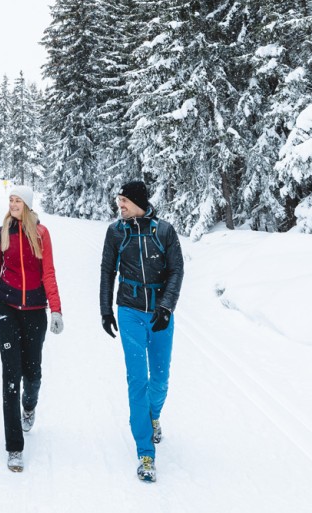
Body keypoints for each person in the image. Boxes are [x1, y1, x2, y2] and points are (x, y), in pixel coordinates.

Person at [99, 180, 184, 484]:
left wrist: (166, 307)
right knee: (138, 379)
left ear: (137, 201)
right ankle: (145, 452)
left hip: (160, 311)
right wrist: (106, 310)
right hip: (130, 310)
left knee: (160, 378)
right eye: (118, 200)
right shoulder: (116, 232)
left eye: (123, 200)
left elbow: (176, 270)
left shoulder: (163, 231)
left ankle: (153, 415)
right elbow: (107, 270)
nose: (119, 205)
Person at [0, 185, 63, 473]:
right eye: (10, 200)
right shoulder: (1, 233)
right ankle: (14, 447)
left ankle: (30, 405)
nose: (13, 204)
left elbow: (48, 272)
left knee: (32, 372)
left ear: (27, 205)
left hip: (35, 311)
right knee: (11, 375)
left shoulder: (42, 234)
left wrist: (56, 309)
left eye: (17, 200)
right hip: (7, 308)